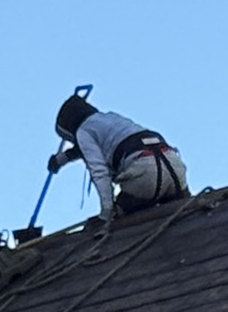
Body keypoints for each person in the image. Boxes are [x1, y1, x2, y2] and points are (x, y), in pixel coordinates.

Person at [47, 87, 188, 221]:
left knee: (122, 223)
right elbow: (82, 149)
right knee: (187, 213)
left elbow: (100, 172)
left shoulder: (82, 132)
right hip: (173, 167)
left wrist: (107, 212)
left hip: (145, 175)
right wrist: (60, 160)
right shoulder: (109, 118)